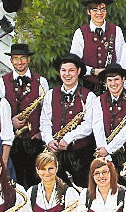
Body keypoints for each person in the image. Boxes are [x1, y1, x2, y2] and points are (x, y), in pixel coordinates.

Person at [0, 43, 47, 189]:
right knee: (13, 181)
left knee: (36, 180)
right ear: (11, 60)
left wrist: (41, 133)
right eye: (16, 58)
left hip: (34, 140)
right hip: (13, 142)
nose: (19, 62)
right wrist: (11, 123)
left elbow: (46, 112)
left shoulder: (41, 81)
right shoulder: (1, 82)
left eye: (23, 58)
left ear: (29, 60)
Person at [39, 55, 92, 187]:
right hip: (55, 153)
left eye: (71, 70)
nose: (67, 74)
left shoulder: (89, 96)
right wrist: (49, 140)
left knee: (80, 189)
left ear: (78, 71)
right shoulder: (51, 94)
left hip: (79, 155)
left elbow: (89, 125)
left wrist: (68, 138)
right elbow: (45, 122)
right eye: (63, 70)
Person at [69, 0, 126, 91]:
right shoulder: (80, 33)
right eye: (95, 9)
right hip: (87, 88)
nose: (99, 13)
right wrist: (93, 71)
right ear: (88, 11)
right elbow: (74, 64)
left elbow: (121, 60)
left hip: (112, 87)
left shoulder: (116, 30)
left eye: (102, 9)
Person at [89, 64, 126, 175]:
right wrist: (103, 151)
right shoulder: (98, 100)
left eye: (116, 79)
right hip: (104, 153)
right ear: (105, 82)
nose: (113, 83)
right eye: (110, 80)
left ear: (123, 79)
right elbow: (98, 127)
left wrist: (109, 149)